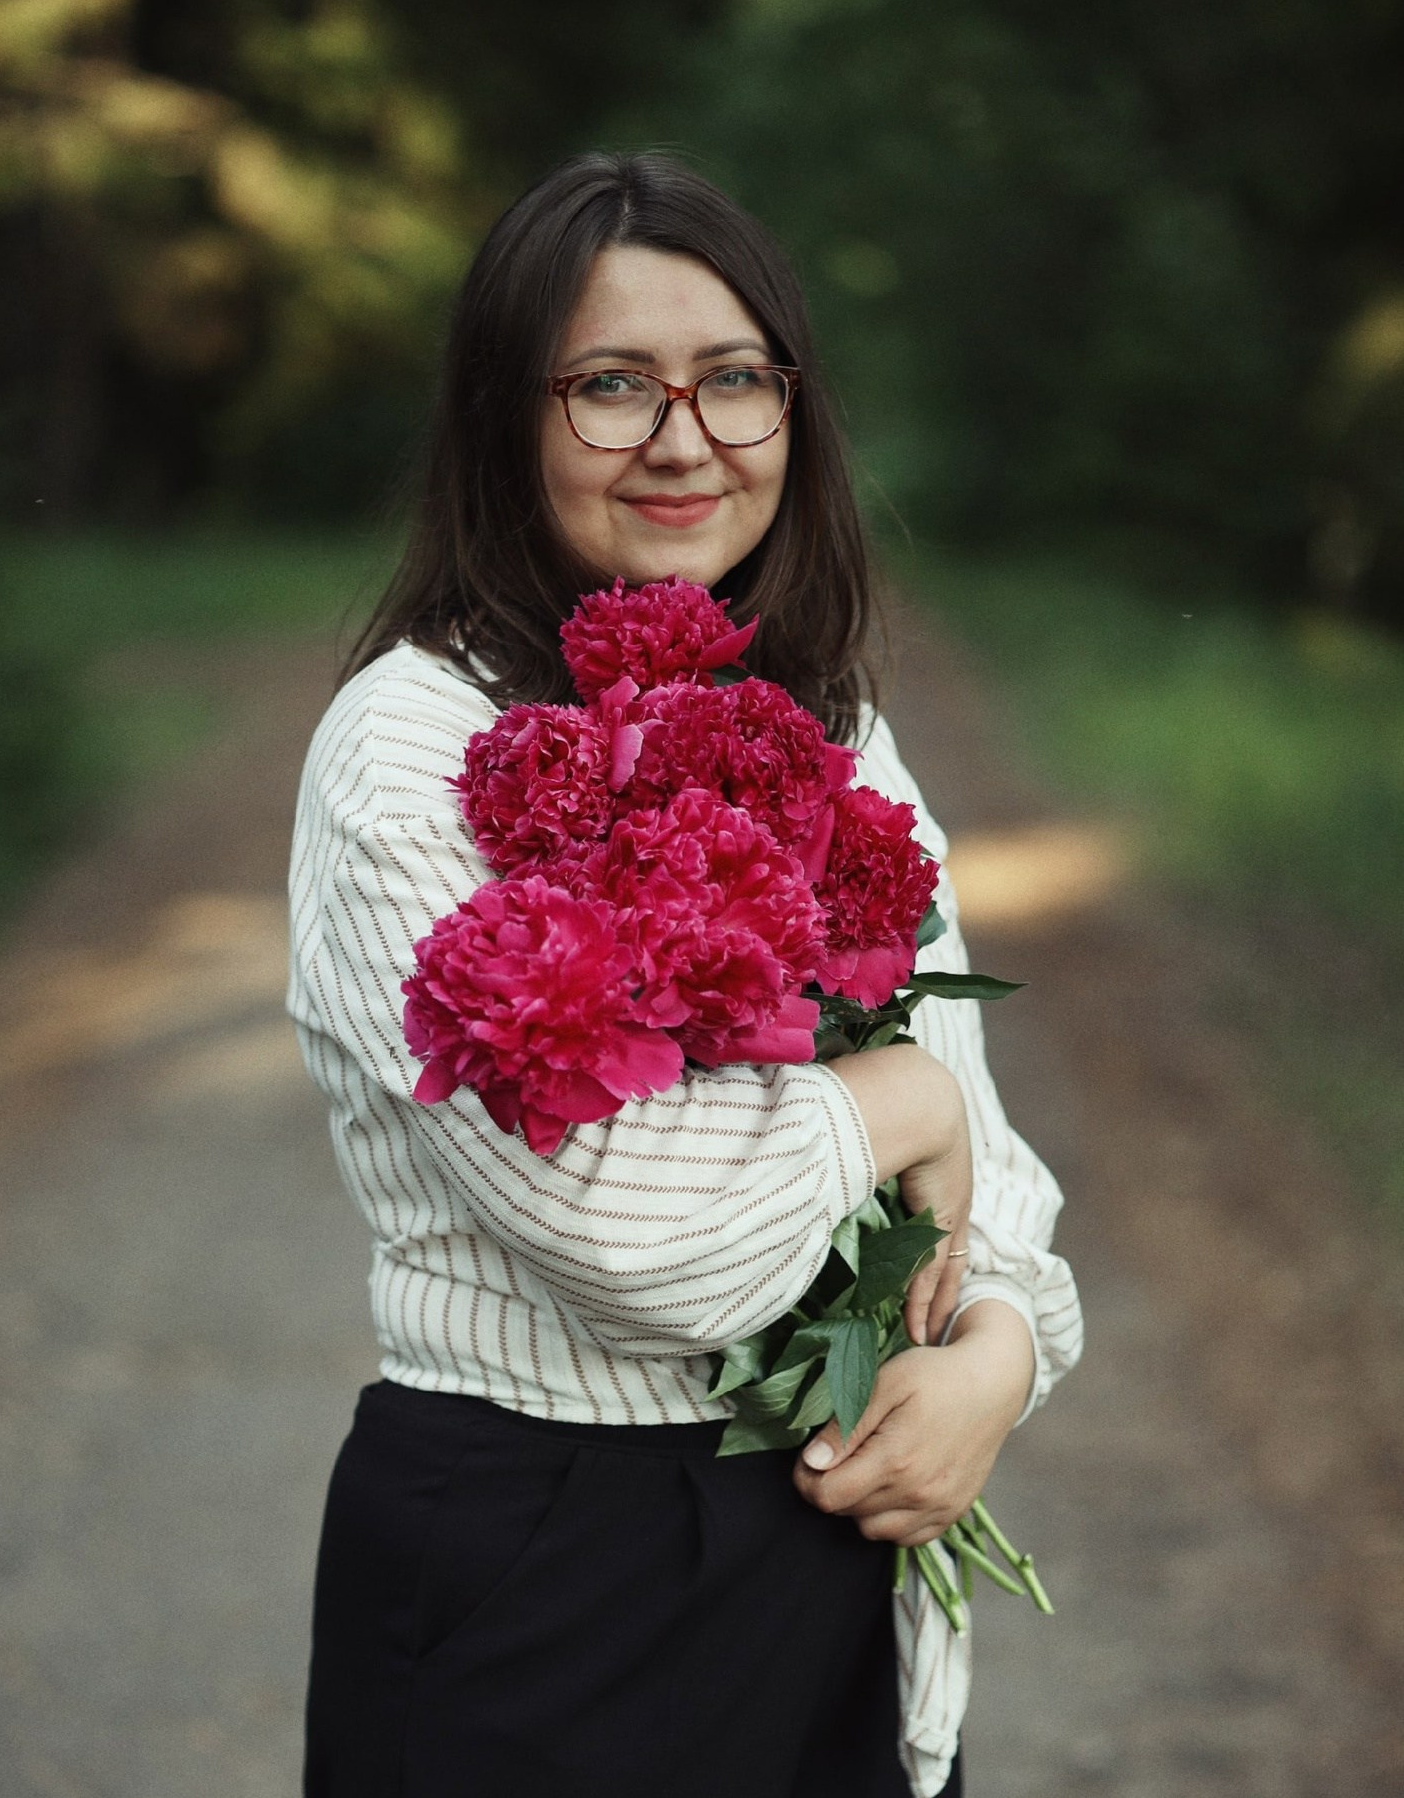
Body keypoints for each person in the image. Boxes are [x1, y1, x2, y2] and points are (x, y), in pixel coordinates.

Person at [287, 151, 1082, 1798]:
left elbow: (986, 1171)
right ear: (505, 413)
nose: (684, 439)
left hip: (829, 1550)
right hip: (537, 1564)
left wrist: (994, 1355)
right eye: (609, 386)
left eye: (734, 381)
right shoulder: (410, 749)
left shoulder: (828, 716)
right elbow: (649, 1245)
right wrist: (903, 1090)